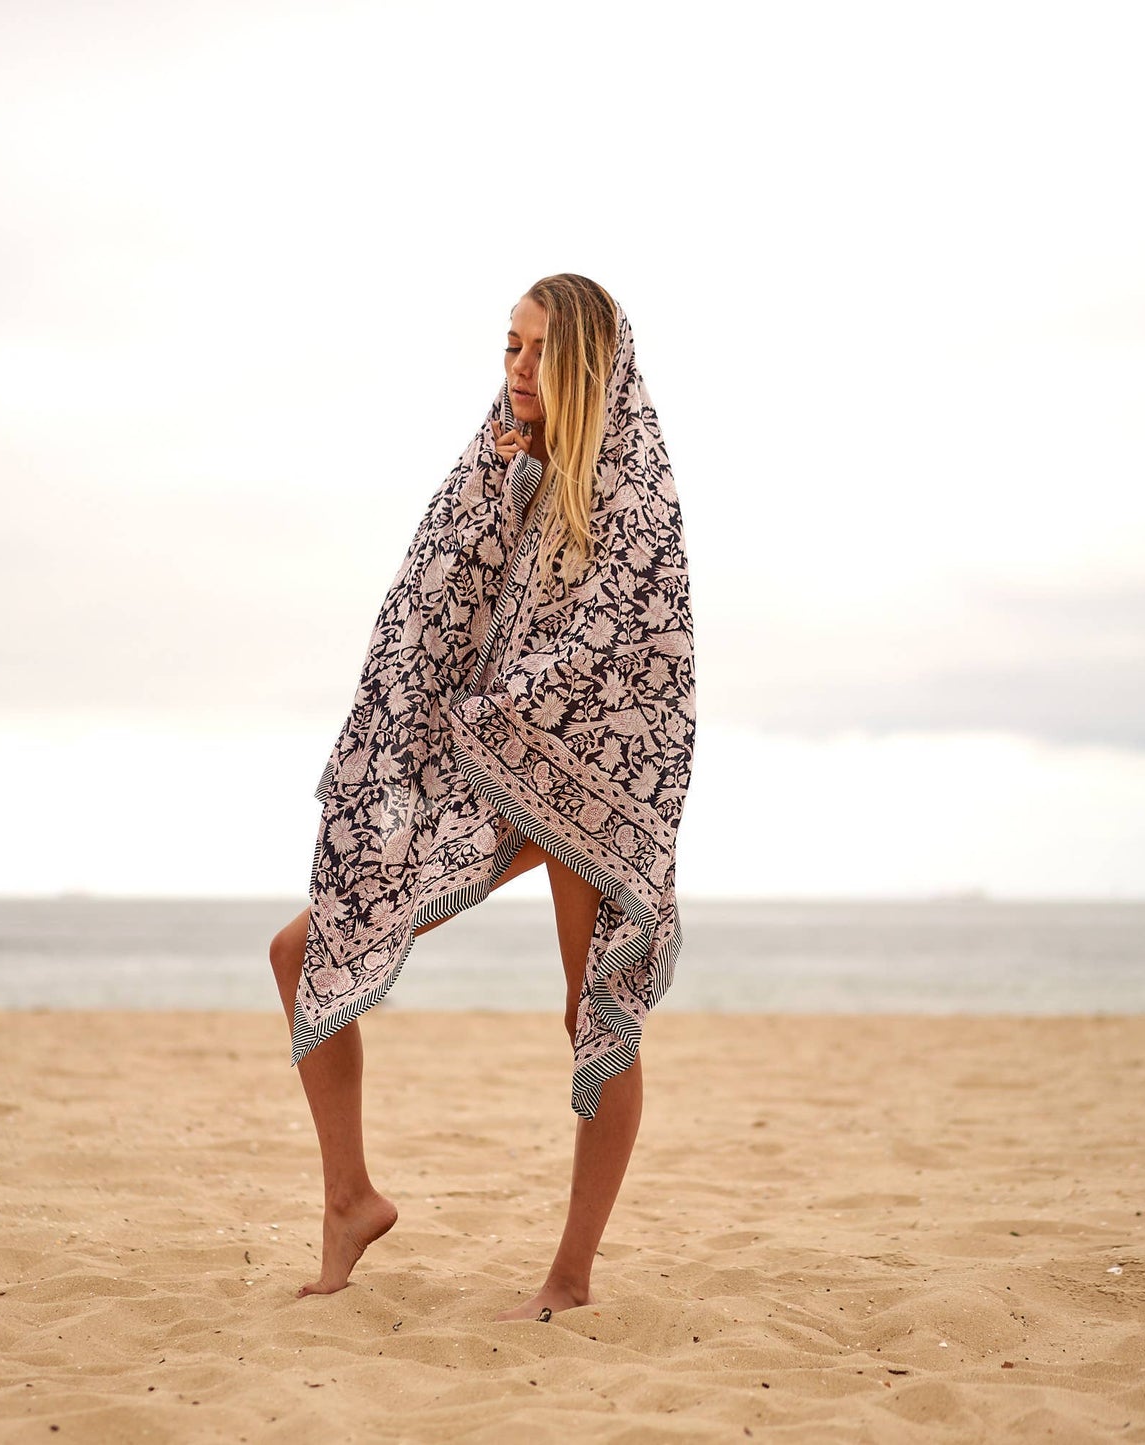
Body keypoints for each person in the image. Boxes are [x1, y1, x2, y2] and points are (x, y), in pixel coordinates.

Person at [269, 274, 695, 1322]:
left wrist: (500, 727)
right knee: (300, 950)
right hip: (488, 761)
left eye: (533, 350)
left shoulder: (631, 488)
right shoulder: (501, 460)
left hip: (588, 781)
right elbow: (431, 608)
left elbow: (635, 650)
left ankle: (570, 1276)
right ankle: (349, 1198)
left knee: (591, 1010)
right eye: (505, 345)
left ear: (582, 364)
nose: (511, 367)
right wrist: (497, 495)